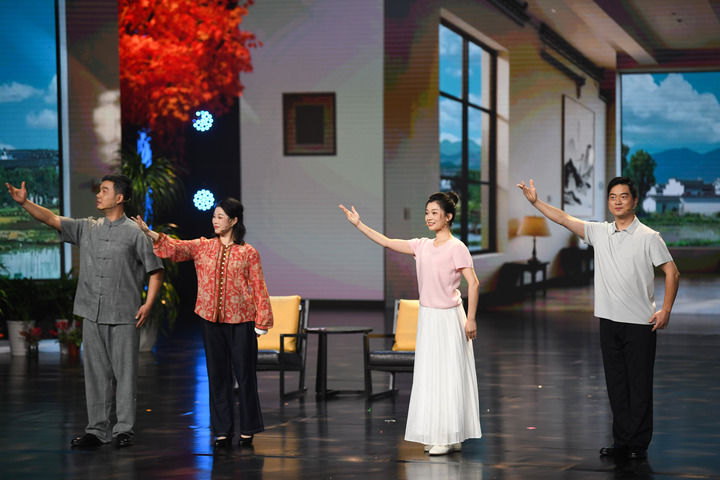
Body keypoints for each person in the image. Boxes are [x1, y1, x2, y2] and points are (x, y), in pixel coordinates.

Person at [517, 176, 680, 460]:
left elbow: (672, 272)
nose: (617, 201)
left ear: (635, 201)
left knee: (639, 385)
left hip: (641, 324)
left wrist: (665, 309)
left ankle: (638, 444)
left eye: (623, 196)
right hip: (608, 321)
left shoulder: (649, 236)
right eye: (613, 197)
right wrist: (536, 202)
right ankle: (622, 441)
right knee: (616, 385)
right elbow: (564, 219)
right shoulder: (599, 232)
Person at [5, 175, 164, 449]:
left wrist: (148, 305)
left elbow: (156, 270)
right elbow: (51, 219)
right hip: (92, 311)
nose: (98, 195)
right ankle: (97, 430)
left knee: (125, 374)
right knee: (95, 374)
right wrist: (24, 203)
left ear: (119, 198)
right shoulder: (88, 227)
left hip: (124, 314)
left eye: (104, 190)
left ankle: (123, 429)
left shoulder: (136, 233)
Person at [340, 192, 482, 456]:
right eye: (427, 212)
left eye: (435, 213)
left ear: (448, 217)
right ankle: (441, 435)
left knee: (448, 376)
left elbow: (473, 283)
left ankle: (449, 436)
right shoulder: (422, 245)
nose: (429, 217)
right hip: (428, 317)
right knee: (431, 376)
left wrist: (471, 318)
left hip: (449, 318)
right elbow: (386, 241)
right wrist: (359, 224)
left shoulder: (457, 247)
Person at [133, 197, 273, 449]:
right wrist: (149, 232)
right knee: (217, 376)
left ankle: (248, 428)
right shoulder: (203, 246)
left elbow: (258, 287)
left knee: (245, 376)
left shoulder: (248, 252)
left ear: (234, 220)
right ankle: (222, 430)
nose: (214, 220)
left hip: (241, 320)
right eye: (214, 216)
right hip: (210, 320)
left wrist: (262, 321)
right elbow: (176, 248)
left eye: (220, 216)